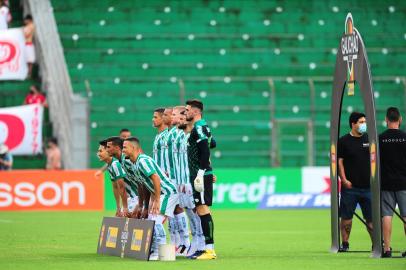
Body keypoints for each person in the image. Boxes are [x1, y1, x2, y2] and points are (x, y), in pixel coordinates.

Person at [124, 136, 178, 261]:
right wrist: (145, 205)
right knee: (151, 220)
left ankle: (161, 253)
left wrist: (157, 200)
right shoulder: (134, 163)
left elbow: (156, 178)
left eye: (125, 148)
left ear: (133, 148)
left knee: (156, 220)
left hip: (167, 192)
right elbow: (145, 184)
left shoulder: (143, 161)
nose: (123, 150)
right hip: (160, 194)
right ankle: (155, 250)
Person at [185, 99, 216, 260]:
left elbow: (205, 149)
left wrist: (202, 171)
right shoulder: (203, 127)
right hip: (201, 173)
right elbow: (213, 144)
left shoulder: (198, 128)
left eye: (187, 110)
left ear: (196, 112)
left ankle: (210, 250)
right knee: (200, 209)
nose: (186, 112)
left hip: (200, 175)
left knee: (203, 210)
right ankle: (206, 248)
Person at [337, 112, 372, 252]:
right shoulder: (343, 141)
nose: (364, 124)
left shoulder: (370, 139)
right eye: (361, 122)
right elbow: (339, 162)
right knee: (346, 218)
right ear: (353, 124)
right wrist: (344, 179)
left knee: (372, 219)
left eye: (365, 121)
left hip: (369, 187)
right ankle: (345, 244)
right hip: (350, 187)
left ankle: (377, 244)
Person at [379, 107, 406, 258]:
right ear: (400, 119)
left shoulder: (380, 138)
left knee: (387, 215)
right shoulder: (405, 137)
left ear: (386, 120)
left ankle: (387, 249)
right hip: (404, 182)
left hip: (386, 183)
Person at [105, 136, 139, 217]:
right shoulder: (119, 161)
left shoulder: (126, 160)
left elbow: (121, 187)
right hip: (135, 196)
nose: (107, 149)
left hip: (141, 196)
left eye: (109, 147)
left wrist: (125, 207)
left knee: (132, 221)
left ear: (117, 148)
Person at [97, 140, 128, 217]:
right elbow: (115, 187)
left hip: (135, 198)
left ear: (107, 151)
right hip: (131, 198)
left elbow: (122, 187)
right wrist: (118, 207)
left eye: (100, 151)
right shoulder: (110, 165)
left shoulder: (115, 164)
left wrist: (125, 207)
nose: (98, 154)